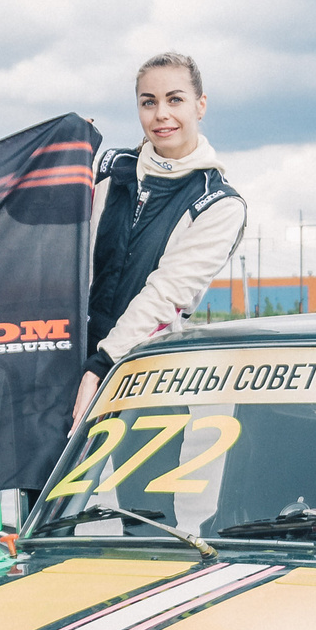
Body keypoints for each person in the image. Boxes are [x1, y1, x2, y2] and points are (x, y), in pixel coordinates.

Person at [76, 52, 248, 417]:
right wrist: (66, 152)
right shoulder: (107, 168)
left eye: (175, 99)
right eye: (148, 102)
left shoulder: (219, 204)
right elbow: (50, 235)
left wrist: (103, 363)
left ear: (200, 105)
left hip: (149, 381)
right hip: (71, 367)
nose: (161, 114)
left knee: (142, 478)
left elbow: (165, 295)